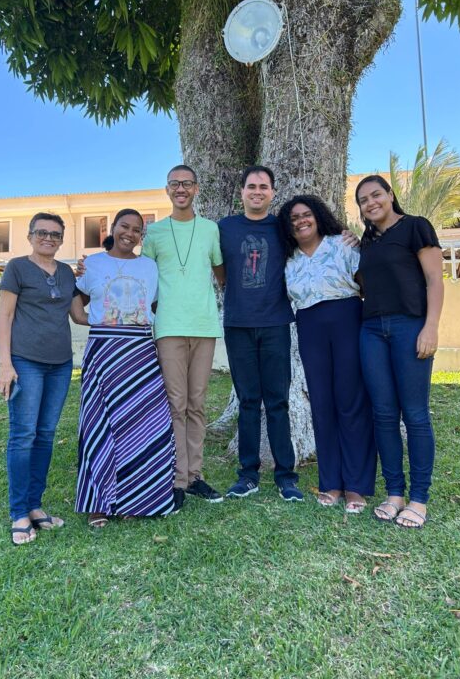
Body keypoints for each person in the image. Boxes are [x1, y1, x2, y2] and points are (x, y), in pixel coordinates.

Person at [74, 209, 176, 526]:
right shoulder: (92, 263)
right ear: (113, 228)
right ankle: (99, 502)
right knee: (99, 423)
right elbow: (75, 302)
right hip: (104, 351)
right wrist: (93, 320)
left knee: (144, 423)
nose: (129, 233)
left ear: (141, 235)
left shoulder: (149, 267)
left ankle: (139, 498)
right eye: (124, 226)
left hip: (140, 351)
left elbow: (152, 305)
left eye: (136, 229)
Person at [355, 175, 444, 529]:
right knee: (383, 414)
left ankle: (418, 499)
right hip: (371, 331)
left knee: (416, 414)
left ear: (390, 195)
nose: (371, 203)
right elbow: (364, 285)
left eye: (376, 194)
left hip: (410, 326)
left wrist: (431, 326)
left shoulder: (416, 227)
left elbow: (435, 280)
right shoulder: (367, 242)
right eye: (363, 200)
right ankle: (395, 494)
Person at [278, 195, 376, 512]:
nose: (301, 221)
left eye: (306, 214)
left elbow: (366, 283)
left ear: (318, 216)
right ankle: (331, 482)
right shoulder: (288, 259)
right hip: (310, 326)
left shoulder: (342, 244)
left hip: (347, 318)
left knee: (351, 401)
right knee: (321, 403)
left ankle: (356, 486)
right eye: (294, 218)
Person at [141, 165, 225, 511]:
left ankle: (195, 475)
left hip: (204, 326)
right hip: (169, 328)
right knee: (176, 404)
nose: (180, 189)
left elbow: (221, 273)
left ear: (196, 189)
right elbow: (144, 279)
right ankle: (176, 479)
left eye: (186, 184)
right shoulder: (154, 232)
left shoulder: (210, 229)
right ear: (167, 190)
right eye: (174, 184)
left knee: (197, 403)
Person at [0, 212, 83, 545]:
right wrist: (5, 364)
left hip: (61, 365)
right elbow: (5, 316)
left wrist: (119, 303)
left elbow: (79, 315)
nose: (49, 238)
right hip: (25, 362)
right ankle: (18, 512)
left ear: (62, 239)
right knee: (23, 435)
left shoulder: (66, 272)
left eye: (55, 234)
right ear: (30, 235)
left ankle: (34, 505)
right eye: (42, 232)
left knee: (45, 434)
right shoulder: (17, 267)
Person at [219, 166, 303, 501]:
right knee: (248, 401)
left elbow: (316, 237)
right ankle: (248, 474)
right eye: (251, 186)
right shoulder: (225, 228)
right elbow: (217, 269)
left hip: (275, 323)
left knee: (278, 401)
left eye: (264, 186)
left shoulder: (283, 227)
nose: (257, 191)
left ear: (272, 193)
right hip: (238, 324)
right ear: (242, 191)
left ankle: (286, 476)